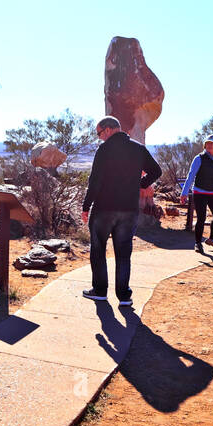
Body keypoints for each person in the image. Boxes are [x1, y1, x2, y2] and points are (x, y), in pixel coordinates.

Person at [80, 116, 162, 305]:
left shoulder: (104, 149)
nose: (99, 138)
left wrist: (86, 206)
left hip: (104, 209)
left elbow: (95, 181)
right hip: (129, 209)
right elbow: (156, 171)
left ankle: (100, 291)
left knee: (98, 249)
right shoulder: (137, 148)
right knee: (124, 252)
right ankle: (124, 296)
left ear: (108, 130)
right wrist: (139, 185)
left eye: (99, 133)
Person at [180, 134, 213, 252]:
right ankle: (198, 243)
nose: (209, 145)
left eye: (212, 143)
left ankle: (212, 239)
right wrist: (184, 193)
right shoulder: (199, 158)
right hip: (200, 192)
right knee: (201, 218)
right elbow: (191, 176)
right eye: (208, 143)